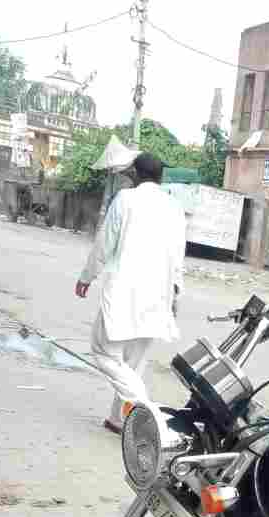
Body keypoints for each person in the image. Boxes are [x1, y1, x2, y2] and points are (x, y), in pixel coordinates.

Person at [75, 151, 186, 433]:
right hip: (158, 296)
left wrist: (87, 276)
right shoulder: (174, 206)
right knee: (132, 363)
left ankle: (147, 411)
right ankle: (118, 419)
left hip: (125, 292)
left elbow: (105, 243)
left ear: (135, 174)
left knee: (103, 351)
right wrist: (175, 294)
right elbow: (178, 256)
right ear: (161, 176)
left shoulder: (125, 200)